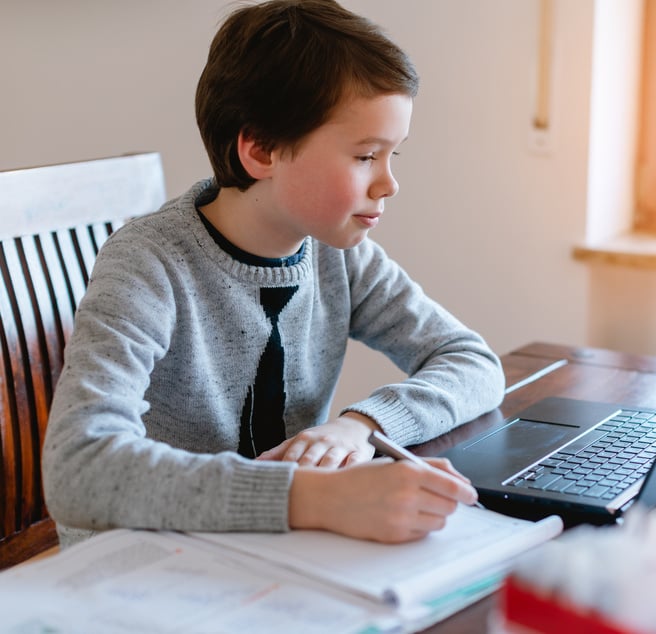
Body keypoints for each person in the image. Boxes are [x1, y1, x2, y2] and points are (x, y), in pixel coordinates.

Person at [42, 0, 505, 548]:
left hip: (275, 546)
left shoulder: (338, 253)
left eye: (392, 155)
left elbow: (473, 363)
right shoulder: (148, 262)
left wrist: (360, 426)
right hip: (149, 561)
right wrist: (315, 497)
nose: (389, 184)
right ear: (260, 150)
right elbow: (79, 469)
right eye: (365, 156)